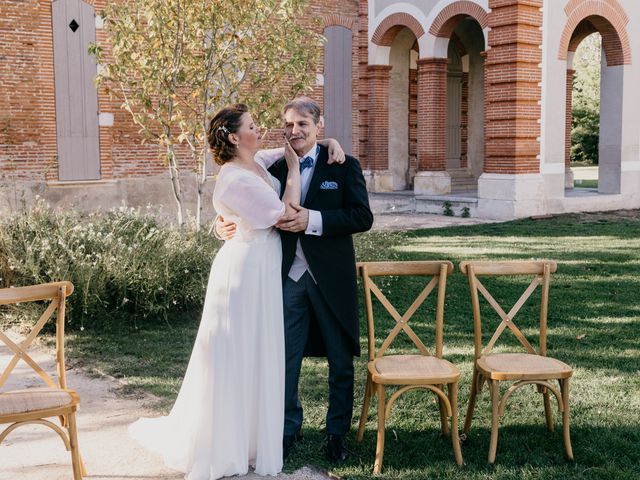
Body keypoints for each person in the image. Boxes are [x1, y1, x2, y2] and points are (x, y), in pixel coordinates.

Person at [129, 103, 343, 479]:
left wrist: (331, 143)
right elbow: (285, 211)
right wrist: (292, 172)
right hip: (244, 273)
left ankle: (253, 437)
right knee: (237, 354)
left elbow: (299, 145)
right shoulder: (233, 177)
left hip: (263, 268)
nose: (260, 129)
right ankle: (228, 442)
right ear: (232, 136)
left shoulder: (257, 160)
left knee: (257, 353)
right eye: (252, 125)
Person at [217, 97, 374, 462]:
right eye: (288, 124)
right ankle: (287, 428)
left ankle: (336, 433)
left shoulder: (342, 164)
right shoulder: (269, 168)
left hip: (330, 280)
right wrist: (221, 224)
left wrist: (312, 221)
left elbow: (361, 217)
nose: (294, 131)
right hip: (285, 277)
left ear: (318, 126)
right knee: (284, 359)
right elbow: (239, 198)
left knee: (340, 360)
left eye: (302, 124)